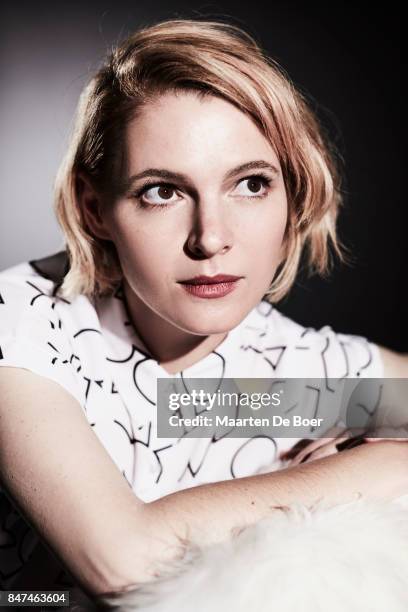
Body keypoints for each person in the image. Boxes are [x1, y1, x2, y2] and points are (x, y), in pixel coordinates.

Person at [0, 18, 407, 602]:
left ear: (292, 192)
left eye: (250, 184)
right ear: (95, 209)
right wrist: (373, 470)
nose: (210, 238)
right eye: (161, 191)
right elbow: (119, 560)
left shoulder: (284, 369)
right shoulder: (24, 326)